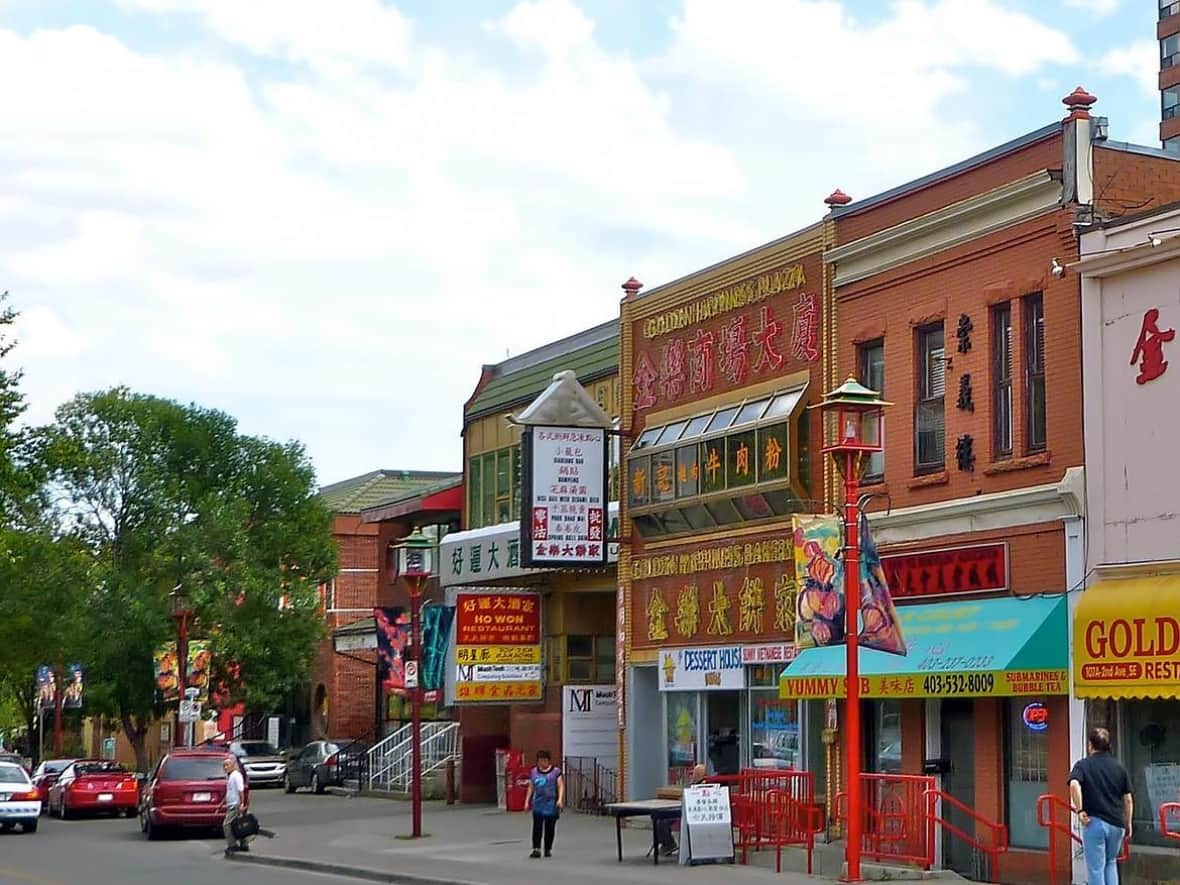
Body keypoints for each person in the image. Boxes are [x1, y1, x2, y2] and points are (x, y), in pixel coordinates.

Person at [1069, 727, 1133, 885]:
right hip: (1117, 825)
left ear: (1090, 745)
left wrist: (1080, 810)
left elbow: (1074, 785)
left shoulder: (1083, 765)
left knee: (1096, 868)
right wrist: (1129, 822)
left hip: (1095, 823)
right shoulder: (1119, 768)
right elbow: (1128, 799)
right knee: (1111, 863)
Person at [657, 762, 707, 856]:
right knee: (660, 818)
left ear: (700, 775)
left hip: (691, 811)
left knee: (663, 821)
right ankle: (667, 843)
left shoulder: (703, 785)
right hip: (683, 807)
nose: (692, 775)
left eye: (695, 774)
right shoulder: (693, 784)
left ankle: (669, 844)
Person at [524, 750, 563, 858]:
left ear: (548, 761)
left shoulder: (556, 772)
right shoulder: (534, 772)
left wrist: (560, 799)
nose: (542, 763)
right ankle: (536, 848)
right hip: (538, 803)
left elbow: (560, 785)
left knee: (550, 827)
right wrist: (527, 801)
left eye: (544, 760)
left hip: (551, 804)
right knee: (537, 827)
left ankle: (548, 848)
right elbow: (531, 787)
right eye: (540, 761)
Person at [222, 756, 248, 857]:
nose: (225, 767)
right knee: (238, 825)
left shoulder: (236, 776)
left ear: (233, 765)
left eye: (227, 765)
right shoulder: (230, 776)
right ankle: (244, 844)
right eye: (224, 765)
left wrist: (242, 804)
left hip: (235, 805)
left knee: (226, 825)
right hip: (231, 804)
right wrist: (221, 804)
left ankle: (232, 845)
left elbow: (241, 791)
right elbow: (229, 792)